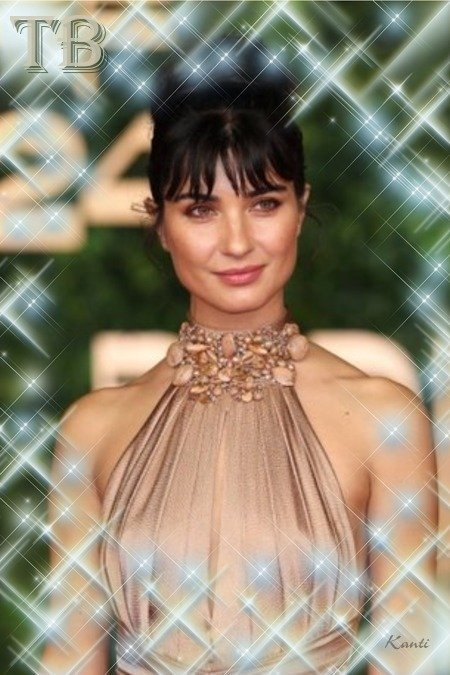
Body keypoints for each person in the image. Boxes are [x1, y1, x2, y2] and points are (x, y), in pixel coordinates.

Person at [40, 40, 437, 675]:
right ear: (160, 224)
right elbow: (69, 656)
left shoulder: (383, 420)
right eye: (201, 209)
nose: (237, 241)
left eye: (264, 203)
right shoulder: (92, 431)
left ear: (301, 209)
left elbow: (410, 651)